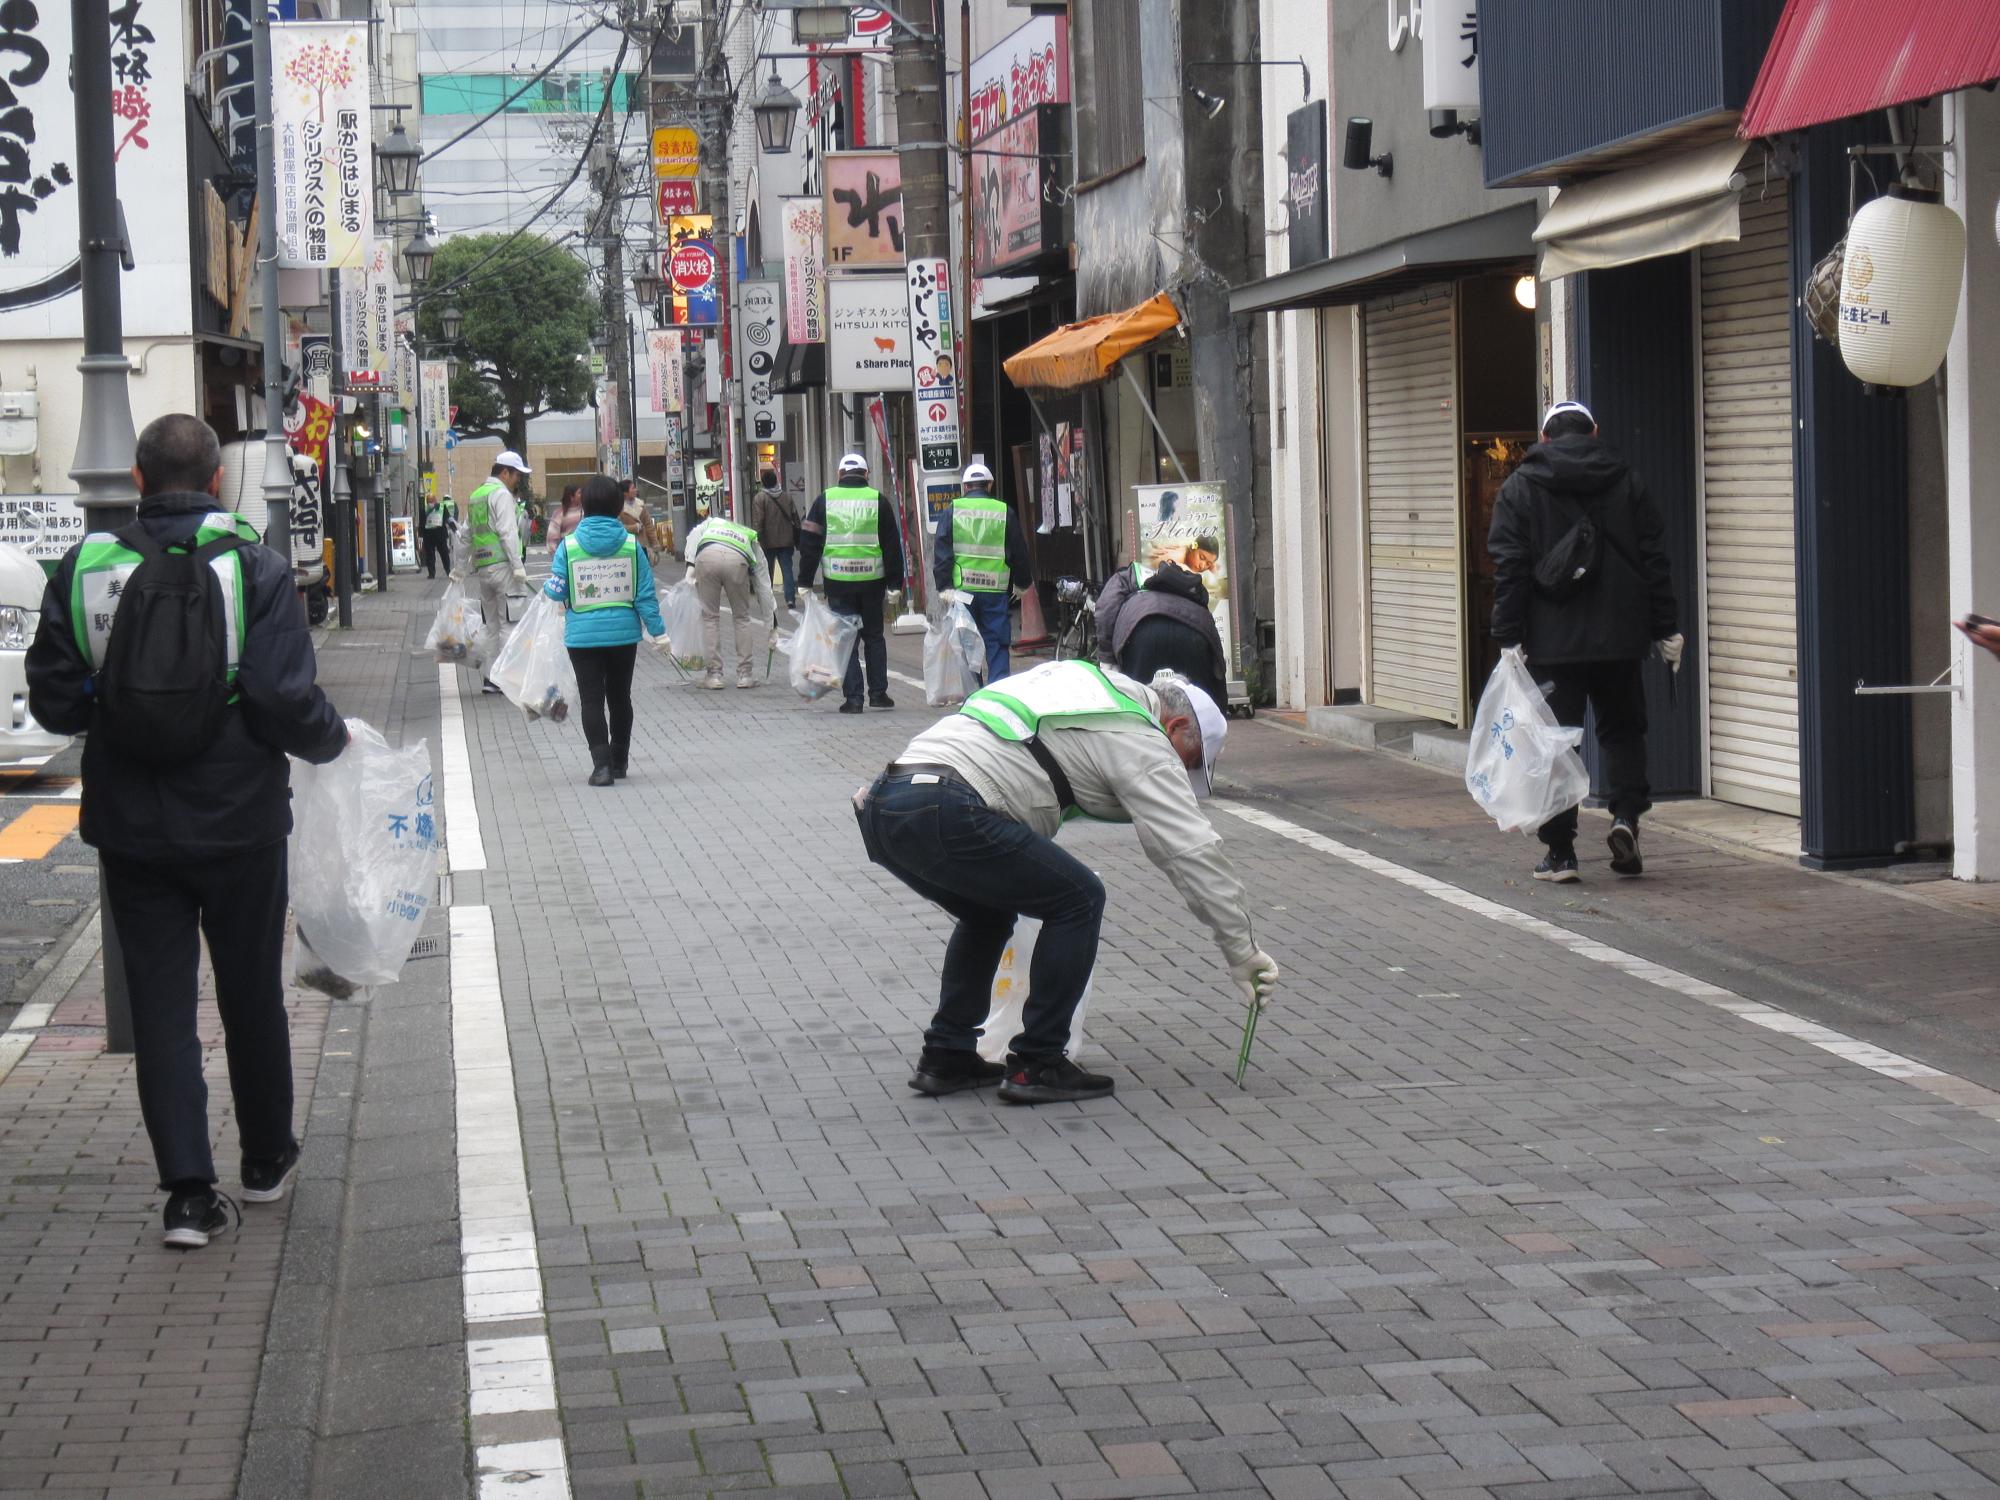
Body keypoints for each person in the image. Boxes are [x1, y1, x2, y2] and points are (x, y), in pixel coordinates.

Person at [24, 414, 348, 1249]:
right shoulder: (256, 566)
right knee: (251, 995)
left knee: (164, 1010)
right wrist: (335, 744)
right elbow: (282, 698)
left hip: (133, 825)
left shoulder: (86, 566)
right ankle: (267, 1159)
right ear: (214, 483)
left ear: (136, 480)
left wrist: (113, 702)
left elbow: (57, 703)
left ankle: (188, 1198)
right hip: (239, 819)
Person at [856, 661, 1278, 1103]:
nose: (1179, 779)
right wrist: (1241, 951)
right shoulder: (1137, 734)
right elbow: (1189, 850)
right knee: (1078, 898)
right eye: (1186, 765)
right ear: (1174, 725)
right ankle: (1038, 1062)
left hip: (886, 804)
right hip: (950, 805)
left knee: (987, 913)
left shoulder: (1077, 683)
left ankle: (947, 1055)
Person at [1488, 400, 1681, 883]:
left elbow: (1509, 568)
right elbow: (1655, 560)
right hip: (1621, 636)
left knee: (1555, 744)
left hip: (1553, 642)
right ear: (1595, 430)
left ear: (1544, 437)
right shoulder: (1628, 481)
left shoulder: (1520, 487)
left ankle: (1561, 854)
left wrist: (1508, 636)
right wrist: (1665, 628)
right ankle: (1624, 819)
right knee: (1622, 731)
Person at [544, 475, 669, 785]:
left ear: (584, 506)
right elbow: (645, 596)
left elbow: (556, 592)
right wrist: (659, 633)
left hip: (582, 637)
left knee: (591, 700)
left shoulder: (569, 546)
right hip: (623, 635)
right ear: (617, 506)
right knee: (620, 698)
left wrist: (551, 587)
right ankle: (620, 760)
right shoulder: (630, 545)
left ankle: (601, 767)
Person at [797, 452, 905, 713]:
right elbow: (892, 546)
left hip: (838, 582)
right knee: (875, 637)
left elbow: (810, 543)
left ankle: (854, 699)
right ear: (867, 475)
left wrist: (804, 582)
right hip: (872, 581)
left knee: (846, 640)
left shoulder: (825, 500)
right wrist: (894, 584)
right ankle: (879, 694)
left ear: (839, 475)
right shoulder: (878, 501)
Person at [933, 460, 1032, 682]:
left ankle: (973, 697)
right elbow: (1018, 550)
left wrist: (944, 586)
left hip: (963, 592)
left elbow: (942, 551)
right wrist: (1022, 583)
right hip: (995, 592)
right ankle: (997, 698)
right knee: (996, 645)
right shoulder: (1004, 511)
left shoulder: (952, 511)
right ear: (989, 485)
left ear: (965, 486)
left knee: (968, 645)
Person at [1095, 560, 1228, 711]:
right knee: (1201, 705)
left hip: (1144, 630)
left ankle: (1145, 731)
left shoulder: (1127, 576)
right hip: (1194, 632)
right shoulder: (1193, 591)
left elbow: (1106, 608)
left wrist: (1107, 655)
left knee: (1138, 703)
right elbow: (1215, 672)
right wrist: (1219, 707)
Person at [456, 451, 532, 692]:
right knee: (509, 622)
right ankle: (506, 677)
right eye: (516, 475)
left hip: (483, 570)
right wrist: (518, 566)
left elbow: (465, 535)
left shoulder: (477, 495)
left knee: (491, 625)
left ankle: (491, 679)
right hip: (504, 568)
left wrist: (459, 569)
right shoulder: (501, 494)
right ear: (505, 472)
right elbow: (507, 532)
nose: (517, 480)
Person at [683, 504, 779, 690]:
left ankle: (714, 675)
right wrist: (772, 625)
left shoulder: (711, 524)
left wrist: (690, 566)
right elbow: (764, 586)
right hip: (738, 560)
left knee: (710, 618)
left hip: (707, 557)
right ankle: (745, 675)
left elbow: (693, 537)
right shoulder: (750, 536)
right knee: (742, 617)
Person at [750, 468, 801, 610]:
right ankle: (790, 599)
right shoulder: (787, 497)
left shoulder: (760, 498)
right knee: (787, 570)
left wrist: (756, 539)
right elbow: (795, 518)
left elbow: (758, 521)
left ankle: (767, 601)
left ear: (763, 483)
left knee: (767, 572)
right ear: (776, 481)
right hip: (786, 540)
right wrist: (798, 536)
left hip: (767, 542)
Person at [420, 491, 456, 579]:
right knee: (437, 554)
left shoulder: (438, 508)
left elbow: (448, 519)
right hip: (434, 535)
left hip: (434, 535)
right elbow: (448, 519)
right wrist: (454, 528)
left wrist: (454, 528)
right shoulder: (428, 509)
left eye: (431, 500)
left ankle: (440, 572)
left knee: (437, 554)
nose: (430, 502)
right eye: (429, 501)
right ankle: (440, 572)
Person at [544, 483, 585, 550]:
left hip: (583, 551)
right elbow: (551, 537)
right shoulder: (559, 513)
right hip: (567, 551)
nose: (582, 495)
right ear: (571, 497)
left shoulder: (586, 510)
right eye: (579, 493)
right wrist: (556, 554)